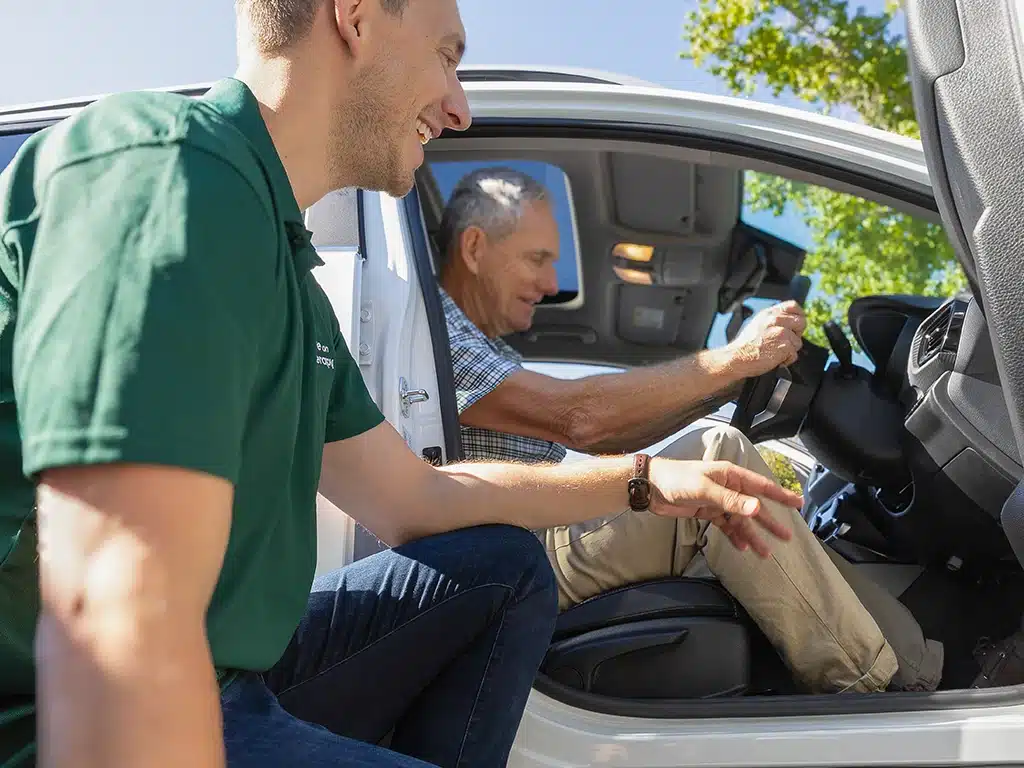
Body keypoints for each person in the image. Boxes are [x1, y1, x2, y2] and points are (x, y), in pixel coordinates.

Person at [0, 1, 804, 767]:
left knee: (501, 564)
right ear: (352, 18)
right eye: (447, 56)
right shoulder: (170, 170)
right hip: (77, 719)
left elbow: (418, 500)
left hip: (225, 682)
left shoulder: (290, 281)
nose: (459, 108)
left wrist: (644, 481)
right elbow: (109, 614)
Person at [437, 165, 946, 695]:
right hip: (503, 561)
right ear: (475, 248)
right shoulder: (436, 334)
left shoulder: (486, 348)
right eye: (538, 259)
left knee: (731, 487)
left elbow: (608, 436)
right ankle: (877, 694)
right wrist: (731, 360)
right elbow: (581, 420)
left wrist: (725, 386)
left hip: (520, 545)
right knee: (716, 459)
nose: (549, 283)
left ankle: (920, 664)